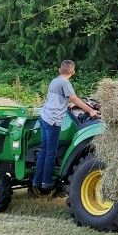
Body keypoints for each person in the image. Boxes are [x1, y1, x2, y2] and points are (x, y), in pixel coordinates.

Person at [34, 59, 98, 193]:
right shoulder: (65, 83)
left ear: (59, 70)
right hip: (53, 121)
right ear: (73, 72)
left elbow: (58, 100)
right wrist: (91, 110)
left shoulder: (55, 81)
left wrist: (69, 105)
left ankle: (37, 180)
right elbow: (74, 98)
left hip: (44, 117)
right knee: (51, 151)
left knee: (43, 150)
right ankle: (46, 182)